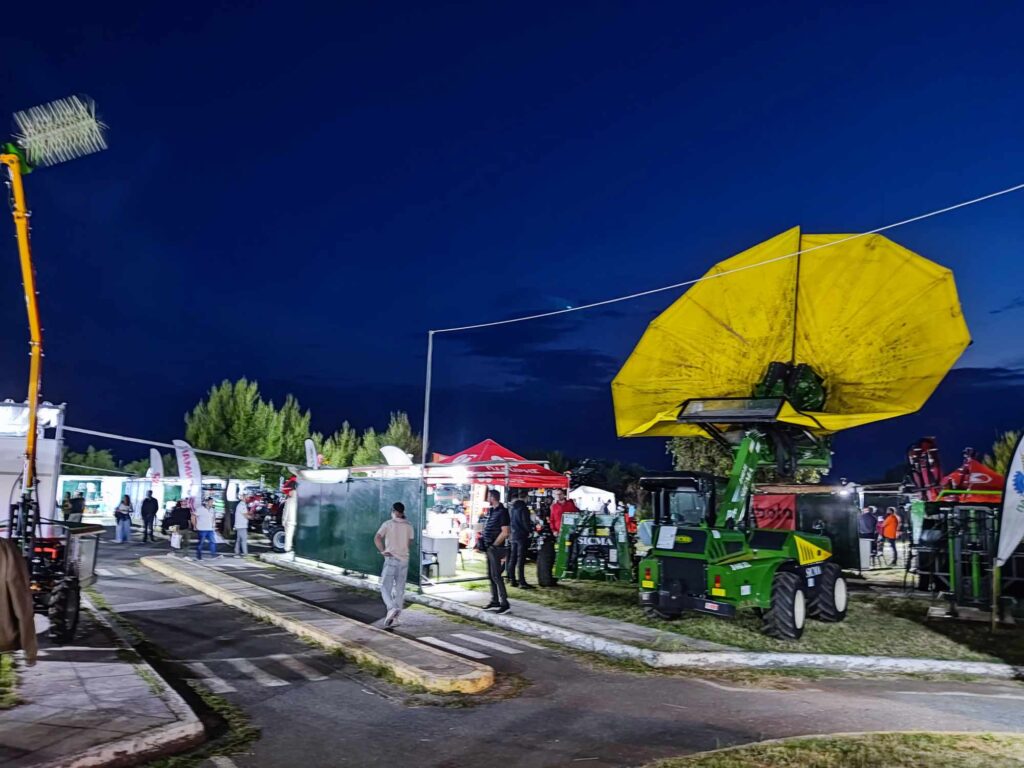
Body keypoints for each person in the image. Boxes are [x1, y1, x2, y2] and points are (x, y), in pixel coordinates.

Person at [374, 501, 414, 628]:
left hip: (391, 559)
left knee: (385, 587)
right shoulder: (409, 526)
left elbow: (377, 538)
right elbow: (409, 543)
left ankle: (391, 608)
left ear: (394, 511)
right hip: (404, 560)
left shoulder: (388, 524)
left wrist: (382, 551)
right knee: (399, 589)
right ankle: (395, 617)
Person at [479, 489, 511, 613]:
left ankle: (504, 603)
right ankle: (495, 600)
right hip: (490, 547)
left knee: (496, 576)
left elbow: (505, 532)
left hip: (496, 548)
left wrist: (494, 545)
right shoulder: (492, 511)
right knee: (491, 576)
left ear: (493, 497)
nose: (487, 498)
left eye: (488, 496)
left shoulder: (502, 512)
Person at [507, 490, 534, 589]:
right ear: (526, 497)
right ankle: (522, 582)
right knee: (521, 559)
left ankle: (512, 579)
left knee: (513, 558)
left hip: (514, 535)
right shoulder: (524, 508)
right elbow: (525, 522)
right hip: (522, 536)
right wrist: (530, 531)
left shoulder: (513, 508)